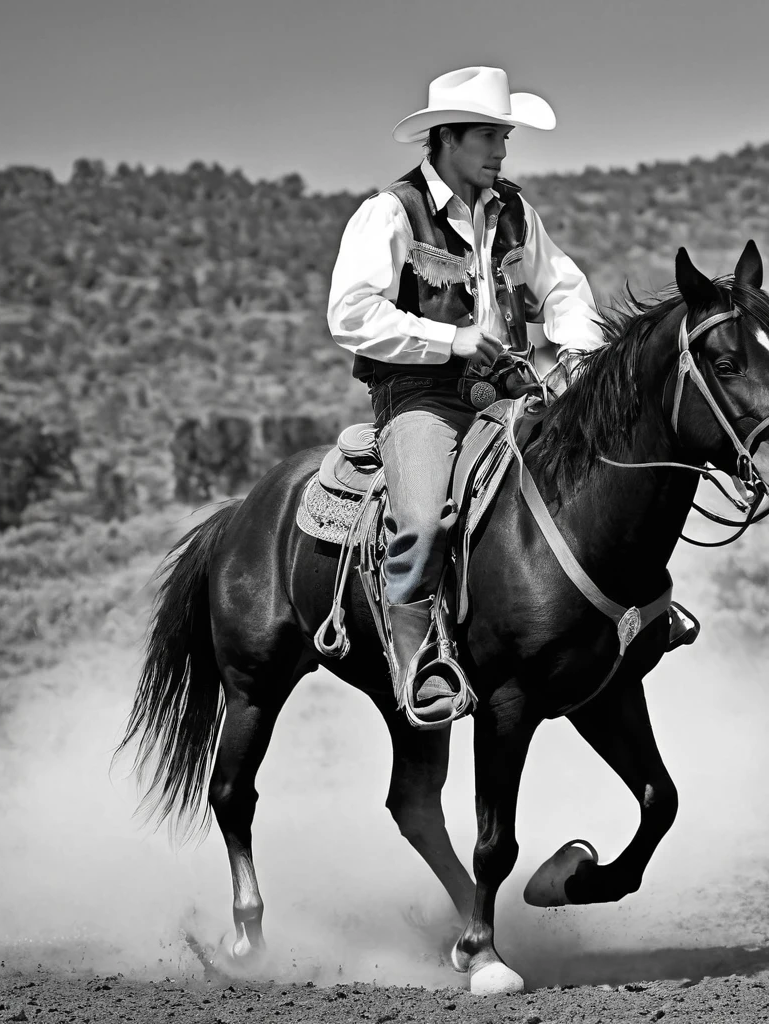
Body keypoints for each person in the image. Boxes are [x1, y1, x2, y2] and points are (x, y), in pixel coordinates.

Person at [328, 66, 695, 727]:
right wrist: (450, 340)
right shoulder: (390, 213)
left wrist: (579, 361)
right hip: (420, 395)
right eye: (491, 136)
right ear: (447, 139)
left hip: (509, 387)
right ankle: (419, 660)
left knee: (599, 465)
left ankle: (634, 609)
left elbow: (562, 289)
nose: (503, 150)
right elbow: (350, 312)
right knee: (425, 516)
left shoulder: (515, 211)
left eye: (505, 136)